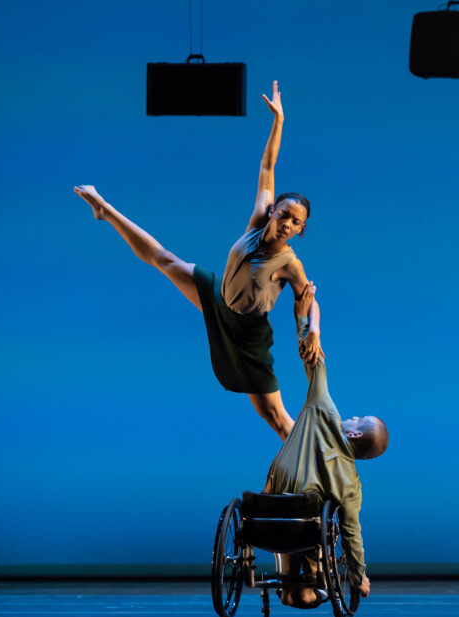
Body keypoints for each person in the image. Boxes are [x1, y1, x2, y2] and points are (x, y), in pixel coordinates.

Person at [74, 80, 320, 440]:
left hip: (248, 335)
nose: (288, 224)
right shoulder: (257, 219)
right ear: (273, 212)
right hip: (218, 298)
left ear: (300, 230)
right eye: (284, 214)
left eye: (297, 223)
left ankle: (317, 474)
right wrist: (278, 121)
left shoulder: (289, 263)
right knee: (164, 259)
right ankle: (105, 209)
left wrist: (312, 331)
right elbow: (267, 165)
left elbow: (308, 300)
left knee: (276, 417)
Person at [263, 285, 389, 608]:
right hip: (302, 523)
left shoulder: (323, 405)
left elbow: (310, 349)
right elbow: (351, 536)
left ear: (355, 435)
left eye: (358, 419)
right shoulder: (351, 486)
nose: (353, 416)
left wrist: (303, 318)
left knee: (302, 508)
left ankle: (293, 584)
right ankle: (307, 585)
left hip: (268, 501)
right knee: (321, 524)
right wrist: (358, 577)